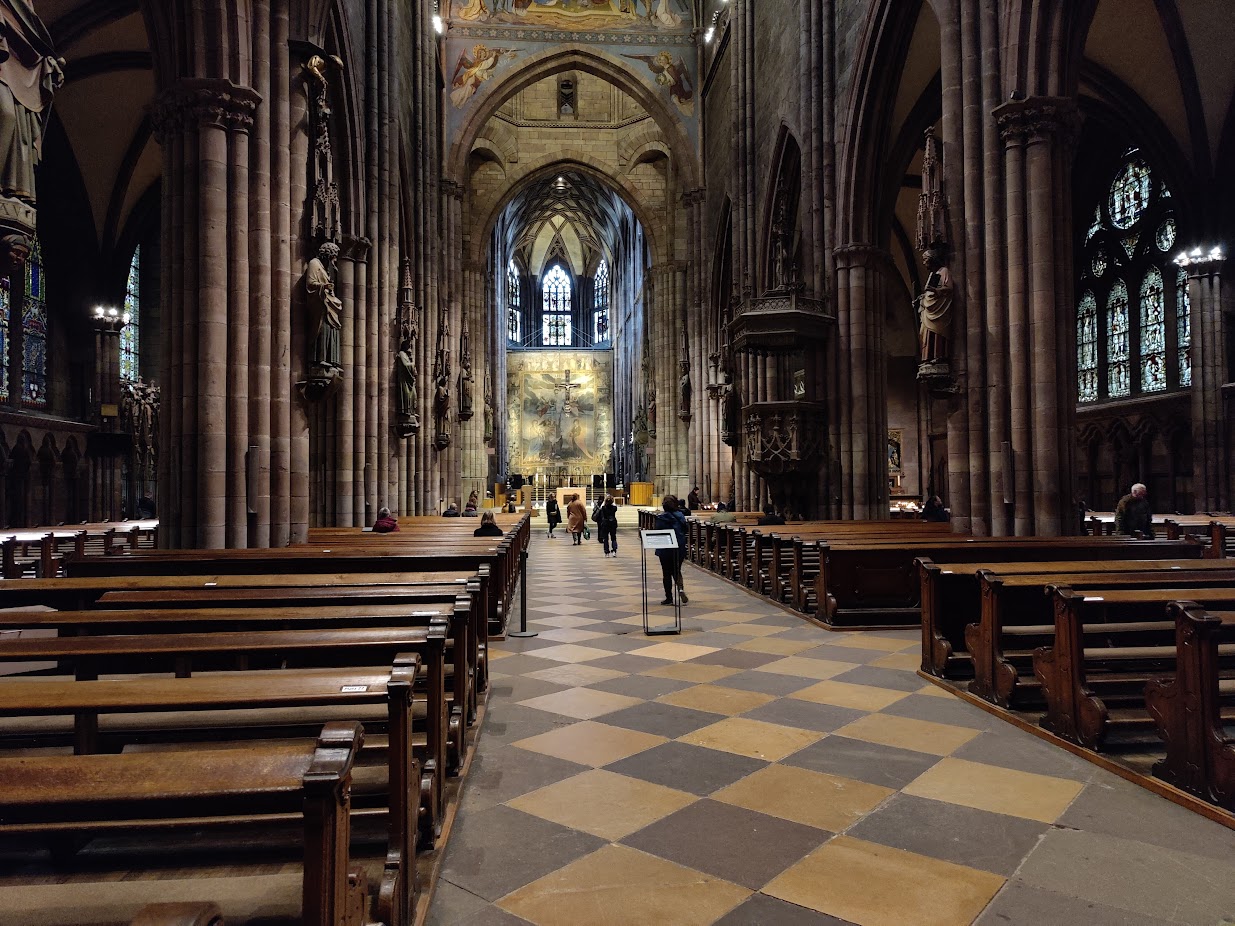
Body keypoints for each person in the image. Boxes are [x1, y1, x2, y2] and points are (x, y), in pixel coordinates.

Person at [654, 495, 688, 604]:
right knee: (676, 569)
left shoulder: (661, 517)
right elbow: (685, 529)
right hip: (679, 546)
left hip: (665, 547)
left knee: (666, 572)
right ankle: (681, 588)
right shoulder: (680, 515)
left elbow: (657, 532)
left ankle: (669, 597)